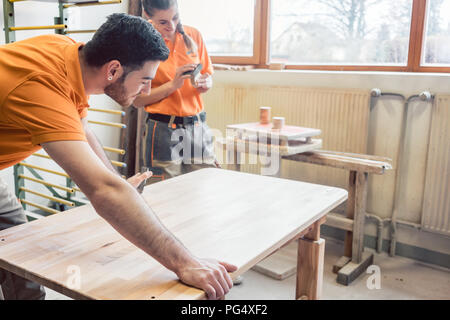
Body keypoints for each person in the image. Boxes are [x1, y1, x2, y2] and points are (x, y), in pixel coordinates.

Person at [0, 13, 236, 300]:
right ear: (113, 70)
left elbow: (83, 129)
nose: (148, 90)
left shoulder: (68, 54)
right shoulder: (41, 88)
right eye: (146, 80)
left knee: (15, 248)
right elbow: (103, 192)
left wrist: (117, 181)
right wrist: (186, 263)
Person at [134, 0, 218, 182]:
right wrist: (173, 85)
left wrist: (206, 83)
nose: (171, 26)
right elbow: (137, 101)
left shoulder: (194, 35)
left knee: (205, 186)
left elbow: (207, 75)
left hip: (197, 126)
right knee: (165, 192)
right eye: (163, 22)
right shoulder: (140, 43)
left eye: (175, 18)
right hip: (162, 130)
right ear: (148, 16)